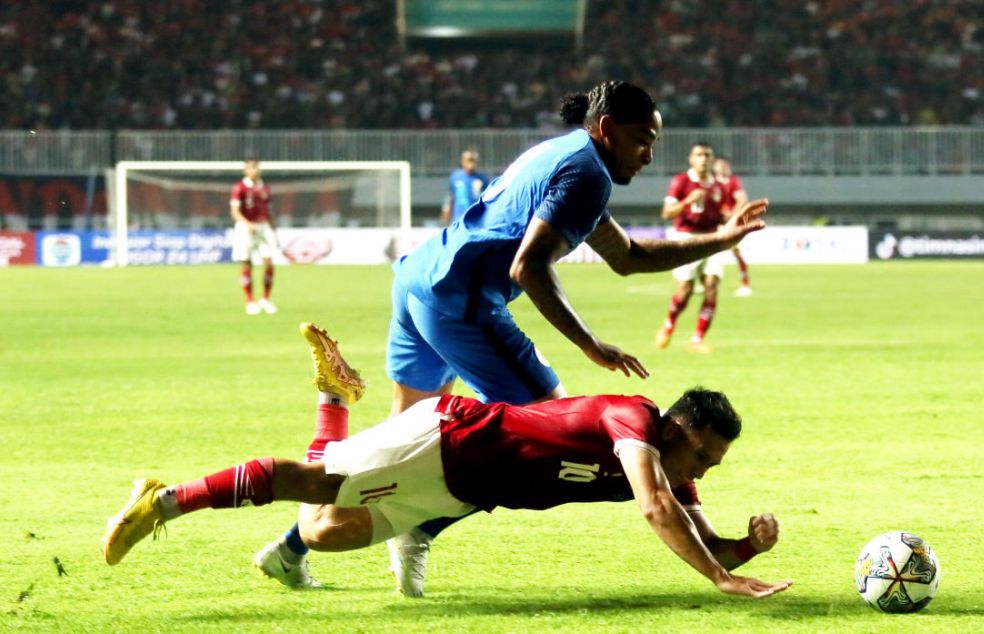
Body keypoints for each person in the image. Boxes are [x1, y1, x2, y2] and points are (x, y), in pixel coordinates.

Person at [255, 80, 769, 595]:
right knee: (543, 444)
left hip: (420, 281)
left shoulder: (566, 154)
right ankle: (418, 528)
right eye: (641, 139)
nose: (649, 155)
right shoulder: (587, 173)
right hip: (463, 302)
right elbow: (529, 268)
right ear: (608, 129)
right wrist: (590, 344)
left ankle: (289, 549)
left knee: (395, 447)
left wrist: (723, 238)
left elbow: (628, 256)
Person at [102, 323, 792, 600]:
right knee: (311, 483)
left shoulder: (677, 470)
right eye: (703, 452)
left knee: (321, 532)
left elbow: (712, 547)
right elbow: (654, 508)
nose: (704, 468)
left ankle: (333, 397)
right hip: (449, 438)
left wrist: (742, 550)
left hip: (461, 492)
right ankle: (160, 502)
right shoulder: (631, 420)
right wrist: (715, 580)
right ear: (677, 427)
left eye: (714, 462)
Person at [654, 143, 732, 354]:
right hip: (686, 238)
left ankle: (697, 339)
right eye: (699, 155)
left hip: (712, 238)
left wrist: (732, 217)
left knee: (712, 285)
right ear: (691, 158)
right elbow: (667, 213)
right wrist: (688, 200)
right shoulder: (681, 181)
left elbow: (722, 214)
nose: (704, 159)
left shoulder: (719, 186)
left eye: (708, 155)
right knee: (686, 289)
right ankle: (669, 323)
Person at [230, 158, 279, 315]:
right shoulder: (240, 188)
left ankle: (265, 299)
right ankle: (250, 301)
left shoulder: (265, 187)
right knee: (247, 265)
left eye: (256, 167)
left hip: (264, 227)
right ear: (245, 171)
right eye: (251, 168)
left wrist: (274, 230)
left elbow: (269, 211)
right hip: (246, 228)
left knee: (269, 262)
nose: (255, 170)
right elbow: (235, 212)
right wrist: (247, 223)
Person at [713, 158, 753, 297]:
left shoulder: (733, 182)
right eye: (719, 165)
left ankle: (745, 284)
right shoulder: (712, 182)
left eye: (724, 165)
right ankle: (705, 283)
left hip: (730, 224)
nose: (722, 167)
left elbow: (742, 200)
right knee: (707, 253)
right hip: (714, 223)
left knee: (736, 252)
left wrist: (732, 215)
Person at [440, 149, 490, 226]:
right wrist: (446, 214)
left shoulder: (482, 179)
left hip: (476, 220)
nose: (471, 163)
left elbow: (487, 200)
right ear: (463, 162)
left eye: (473, 160)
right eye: (469, 160)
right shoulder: (455, 177)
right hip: (459, 219)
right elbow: (451, 197)